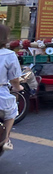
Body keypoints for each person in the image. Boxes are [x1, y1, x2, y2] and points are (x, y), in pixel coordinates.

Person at [0, 24, 22, 153]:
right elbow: (14, 79)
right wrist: (17, 87)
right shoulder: (9, 55)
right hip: (1, 94)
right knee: (11, 112)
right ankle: (5, 139)